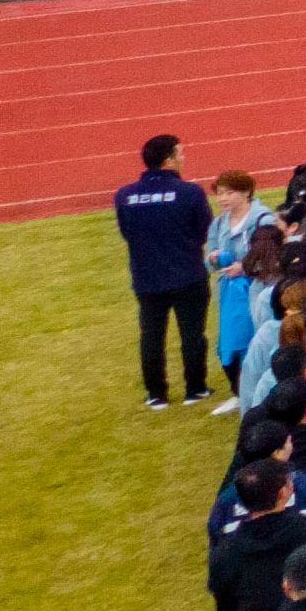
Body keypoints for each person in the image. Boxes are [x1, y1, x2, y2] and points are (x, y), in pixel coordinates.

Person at [119, 131, 216, 407]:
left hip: (147, 277)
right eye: (180, 153)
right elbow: (204, 231)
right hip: (188, 273)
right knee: (192, 334)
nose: (183, 158)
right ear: (168, 160)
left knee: (151, 336)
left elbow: (128, 233)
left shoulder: (125, 196)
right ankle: (195, 389)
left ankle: (156, 394)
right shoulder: (190, 193)